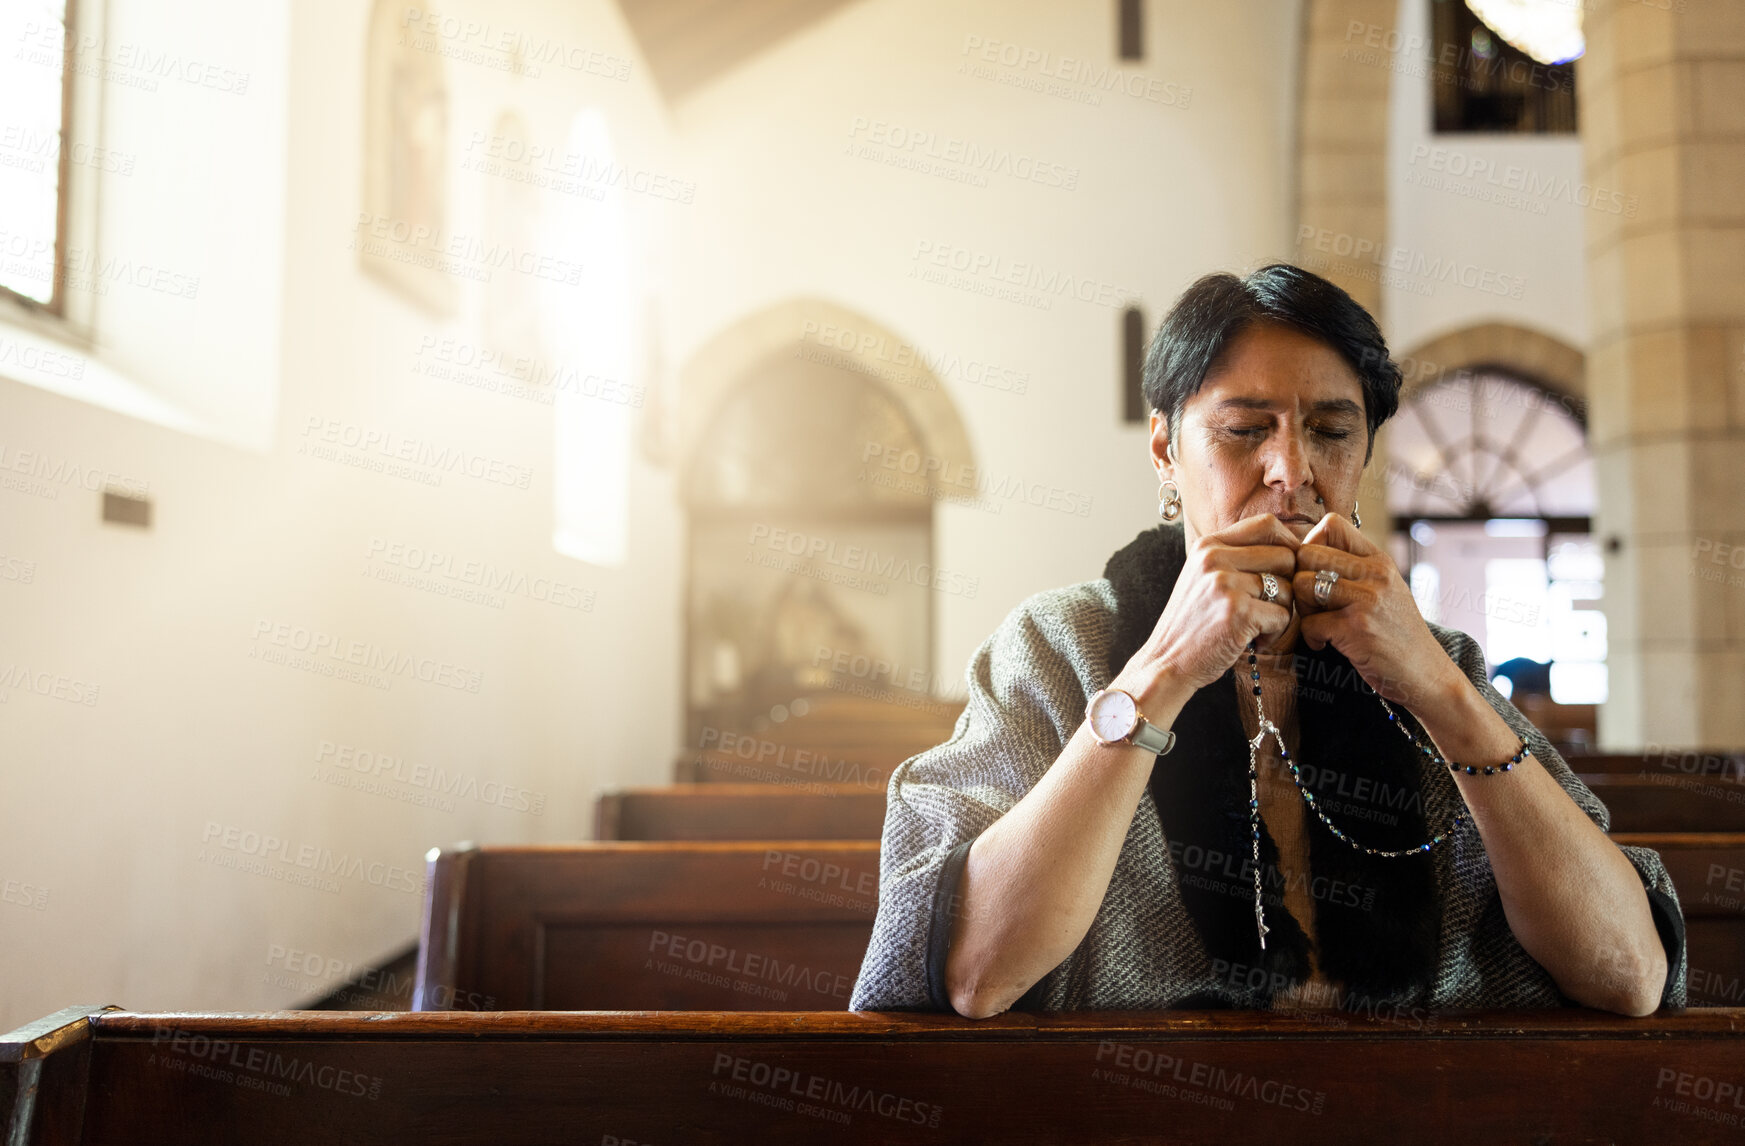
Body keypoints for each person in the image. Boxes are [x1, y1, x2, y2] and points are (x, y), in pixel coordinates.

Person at [848, 265, 1684, 1019]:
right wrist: (1162, 671)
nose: (1291, 469)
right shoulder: (1059, 644)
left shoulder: (1441, 663)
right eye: (1244, 430)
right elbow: (971, 971)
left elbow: (1628, 975)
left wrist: (1438, 690)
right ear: (1163, 449)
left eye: (1330, 431)